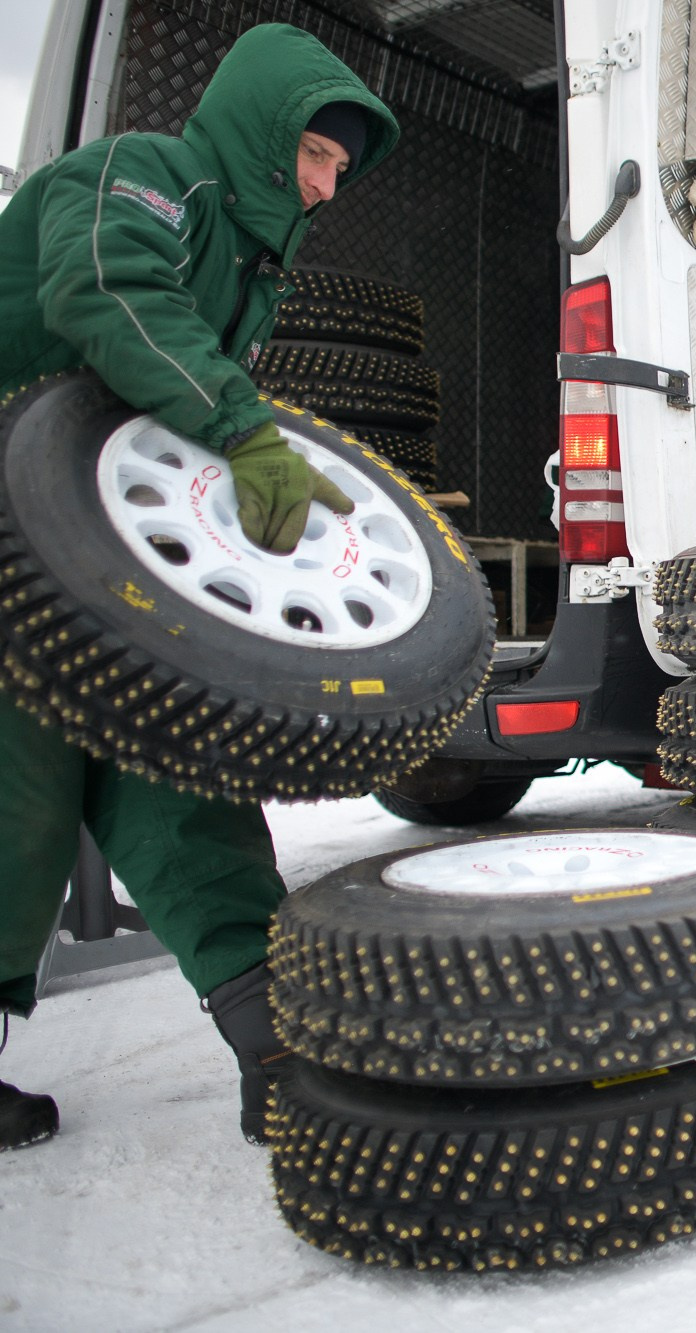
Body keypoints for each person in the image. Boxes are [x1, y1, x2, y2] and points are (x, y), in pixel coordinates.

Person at [0, 23, 400, 1149]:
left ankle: (279, 1049)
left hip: (101, 559)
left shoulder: (254, 270)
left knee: (184, 777)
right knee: (15, 802)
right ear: (262, 132)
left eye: (336, 170)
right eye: (315, 156)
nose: (325, 188)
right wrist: (244, 430)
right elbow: (110, 294)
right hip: (7, 530)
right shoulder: (136, 177)